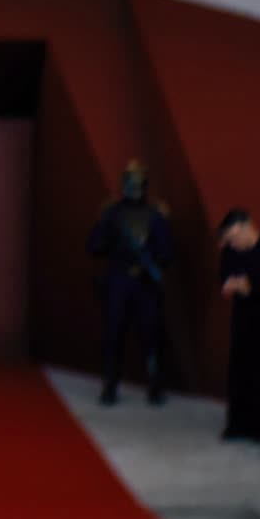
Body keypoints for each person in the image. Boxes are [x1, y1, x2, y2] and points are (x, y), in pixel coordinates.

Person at [87, 161, 174, 405]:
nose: (134, 188)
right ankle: (110, 385)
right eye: (130, 183)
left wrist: (149, 260)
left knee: (151, 337)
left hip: (145, 284)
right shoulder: (112, 214)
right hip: (118, 281)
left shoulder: (155, 214)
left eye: (138, 183)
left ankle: (155, 385)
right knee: (113, 335)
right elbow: (94, 245)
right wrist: (117, 247)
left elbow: (166, 253)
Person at [219, 208, 260, 441]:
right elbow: (227, 281)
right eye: (230, 239)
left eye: (235, 237)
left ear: (248, 228)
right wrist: (237, 285)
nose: (234, 243)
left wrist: (249, 286)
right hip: (242, 319)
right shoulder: (230, 252)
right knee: (240, 370)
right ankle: (238, 424)